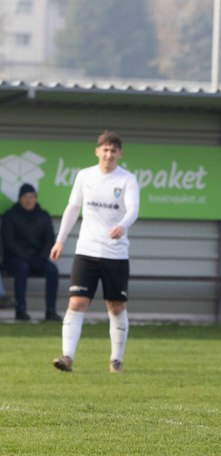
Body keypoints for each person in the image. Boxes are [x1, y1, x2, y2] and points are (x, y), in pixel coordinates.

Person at [50, 130, 140, 373]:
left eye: (113, 150)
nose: (109, 154)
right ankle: (67, 357)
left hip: (115, 254)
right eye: (105, 150)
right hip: (86, 251)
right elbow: (73, 208)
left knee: (116, 307)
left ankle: (116, 361)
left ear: (119, 154)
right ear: (97, 151)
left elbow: (133, 209)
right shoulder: (84, 176)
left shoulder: (127, 180)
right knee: (77, 302)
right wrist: (60, 240)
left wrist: (122, 226)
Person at [1, 183, 60, 321]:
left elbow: (49, 240)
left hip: (38, 258)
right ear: (20, 198)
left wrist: (41, 257)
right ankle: (20, 310)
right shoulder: (10, 216)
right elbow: (9, 243)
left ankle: (51, 311)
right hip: (16, 259)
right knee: (22, 268)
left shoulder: (43, 216)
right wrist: (27, 257)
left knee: (52, 270)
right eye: (25, 197)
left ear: (35, 198)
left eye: (32, 197)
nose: (29, 200)